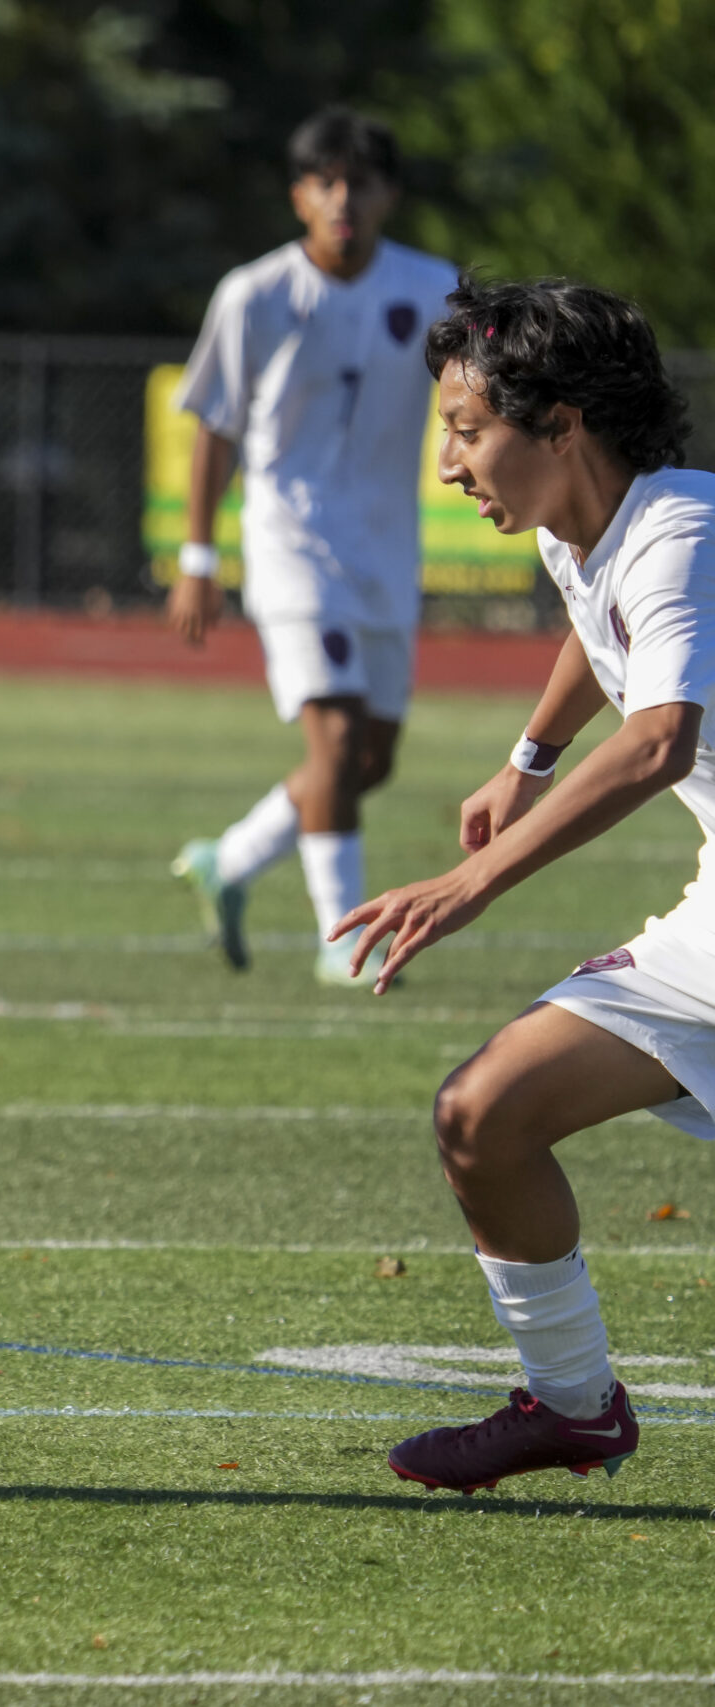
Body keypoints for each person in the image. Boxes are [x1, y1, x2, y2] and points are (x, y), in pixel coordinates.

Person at [334, 276, 698, 1492]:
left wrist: (476, 877)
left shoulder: (683, 535)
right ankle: (572, 1406)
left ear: (563, 426)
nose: (447, 463)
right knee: (480, 1117)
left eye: (465, 428)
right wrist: (526, 759)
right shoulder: (578, 527)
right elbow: (597, 632)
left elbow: (658, 743)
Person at [165, 108, 456, 986]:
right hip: (290, 544)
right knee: (332, 746)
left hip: (386, 553)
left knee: (369, 761)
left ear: (387, 195)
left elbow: (479, 395)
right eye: (325, 181)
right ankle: (348, 947)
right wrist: (198, 557)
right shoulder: (253, 294)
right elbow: (214, 427)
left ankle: (231, 859)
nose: (344, 199)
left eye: (360, 182)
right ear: (299, 195)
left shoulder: (433, 287)